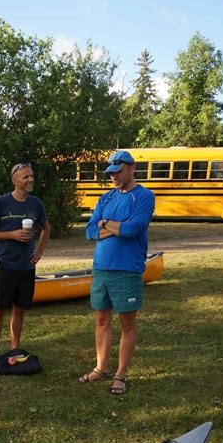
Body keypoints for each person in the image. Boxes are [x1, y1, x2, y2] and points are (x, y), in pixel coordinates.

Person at [79, 150, 155, 394]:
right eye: (110, 173)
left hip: (127, 269)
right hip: (101, 268)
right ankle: (100, 368)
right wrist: (112, 227)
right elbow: (89, 231)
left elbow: (134, 229)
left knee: (126, 324)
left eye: (118, 171)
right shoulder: (106, 198)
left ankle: (120, 374)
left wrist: (105, 224)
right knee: (101, 319)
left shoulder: (144, 196)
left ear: (132, 169)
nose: (113, 177)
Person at [0, 162, 51, 372]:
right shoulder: (1, 202)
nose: (30, 180)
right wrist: (12, 234)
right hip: (6, 266)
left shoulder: (35, 203)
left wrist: (39, 252)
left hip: (26, 268)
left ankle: (15, 352)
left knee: (19, 312)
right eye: (25, 177)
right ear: (14, 180)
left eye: (31, 176)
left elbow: (46, 228)